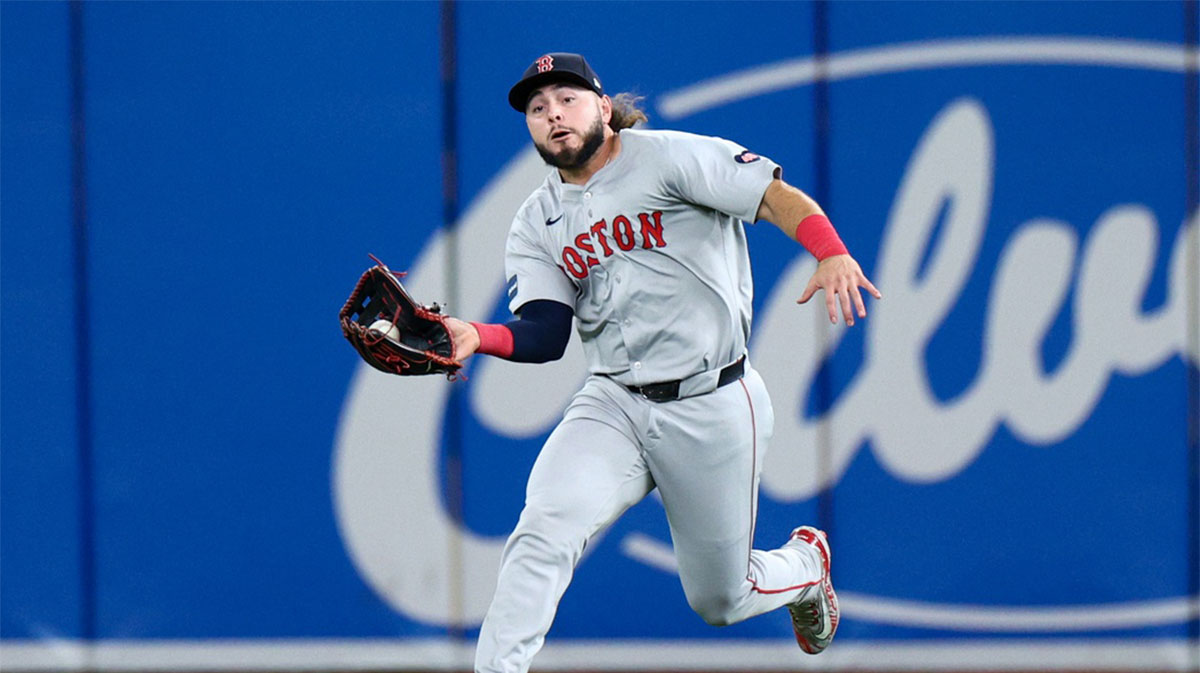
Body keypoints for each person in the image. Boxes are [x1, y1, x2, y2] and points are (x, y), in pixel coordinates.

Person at [442, 53, 881, 673]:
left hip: (713, 397)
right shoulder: (536, 221)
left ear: (603, 105)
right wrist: (473, 335)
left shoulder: (672, 157)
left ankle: (806, 568)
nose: (553, 116)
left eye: (566, 99)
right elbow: (544, 332)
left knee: (722, 600)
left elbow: (774, 196)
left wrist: (831, 252)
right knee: (543, 529)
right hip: (614, 400)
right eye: (537, 110)